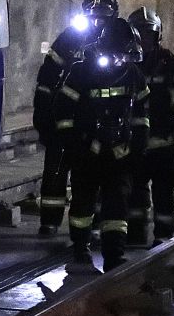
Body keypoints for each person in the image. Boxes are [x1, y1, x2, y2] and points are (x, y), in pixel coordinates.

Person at [32, 0, 139, 236]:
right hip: (65, 114)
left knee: (96, 172)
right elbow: (47, 79)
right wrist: (43, 115)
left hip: (94, 120)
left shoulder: (116, 39)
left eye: (103, 15)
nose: (96, 20)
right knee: (56, 167)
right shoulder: (69, 39)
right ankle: (50, 221)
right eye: (92, 15)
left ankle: (95, 220)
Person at [52, 24, 150, 272]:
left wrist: (138, 147)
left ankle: (114, 256)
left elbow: (142, 115)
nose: (120, 61)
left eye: (125, 56)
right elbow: (63, 111)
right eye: (116, 55)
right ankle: (80, 249)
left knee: (117, 207)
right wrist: (72, 144)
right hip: (87, 152)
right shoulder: (81, 72)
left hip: (120, 154)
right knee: (82, 204)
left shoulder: (134, 74)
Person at [127, 6, 174, 246]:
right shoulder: (127, 64)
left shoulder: (170, 62)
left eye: (149, 34)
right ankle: (135, 235)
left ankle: (163, 239)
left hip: (164, 144)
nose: (145, 41)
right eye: (141, 35)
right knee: (135, 195)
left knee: (164, 196)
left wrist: (161, 102)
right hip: (136, 145)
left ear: (157, 36)